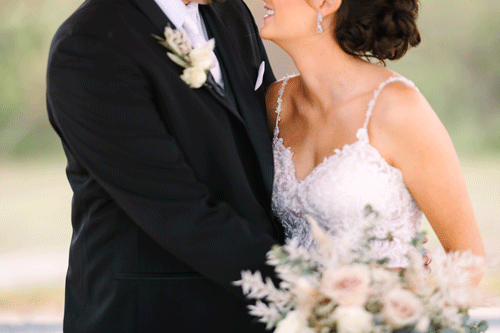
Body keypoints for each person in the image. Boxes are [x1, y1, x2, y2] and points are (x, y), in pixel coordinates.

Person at [46, 0, 284, 331]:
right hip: (155, 312)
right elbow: (177, 211)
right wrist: (309, 286)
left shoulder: (231, 11)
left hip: (257, 307)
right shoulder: (90, 44)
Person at [262, 0, 486, 279]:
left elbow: (469, 261)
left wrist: (405, 306)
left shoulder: (397, 108)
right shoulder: (277, 102)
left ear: (326, 3)